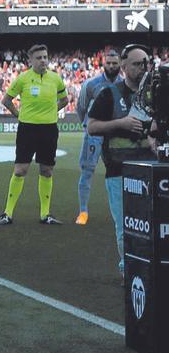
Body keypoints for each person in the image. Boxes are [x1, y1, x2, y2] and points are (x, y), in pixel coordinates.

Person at [87, 44, 156, 273]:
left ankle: (152, 270)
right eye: (137, 64)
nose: (143, 68)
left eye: (146, 63)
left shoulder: (156, 94)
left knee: (154, 223)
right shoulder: (109, 94)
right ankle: (129, 271)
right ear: (124, 67)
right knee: (125, 227)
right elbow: (92, 127)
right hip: (119, 171)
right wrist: (121, 123)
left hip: (152, 170)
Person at [0, 44, 69, 226]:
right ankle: (7, 213)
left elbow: (65, 99)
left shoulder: (56, 78)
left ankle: (45, 214)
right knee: (20, 170)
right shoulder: (23, 79)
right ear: (30, 60)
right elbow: (6, 100)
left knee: (46, 170)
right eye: (39, 58)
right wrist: (19, 115)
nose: (43, 60)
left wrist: (52, 111)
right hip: (27, 129)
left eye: (45, 57)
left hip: (49, 129)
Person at [74, 50, 121, 225]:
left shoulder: (123, 84)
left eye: (114, 63)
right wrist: (87, 126)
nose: (111, 66)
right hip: (93, 135)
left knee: (117, 172)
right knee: (87, 171)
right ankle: (83, 211)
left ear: (120, 64)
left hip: (114, 135)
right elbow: (81, 107)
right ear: (103, 63)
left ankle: (118, 210)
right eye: (108, 63)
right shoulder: (91, 84)